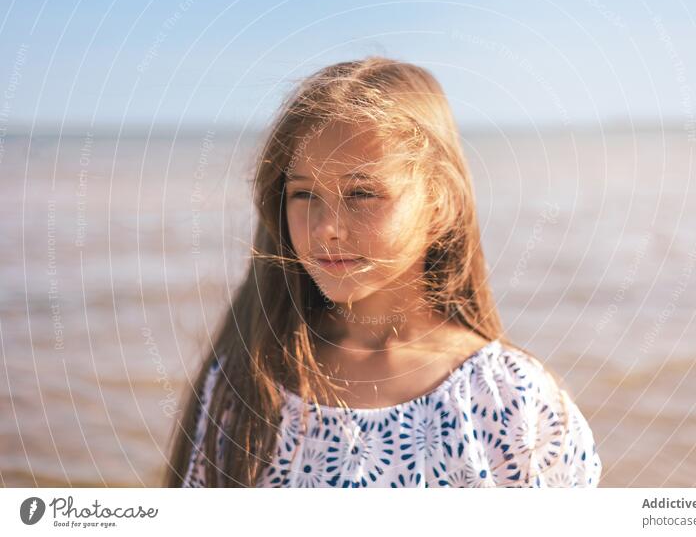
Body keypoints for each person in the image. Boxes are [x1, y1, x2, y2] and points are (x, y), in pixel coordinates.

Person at [165, 57, 602, 488]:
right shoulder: (248, 384)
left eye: (362, 192)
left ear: (440, 202)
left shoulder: (511, 401)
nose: (325, 228)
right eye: (303, 193)